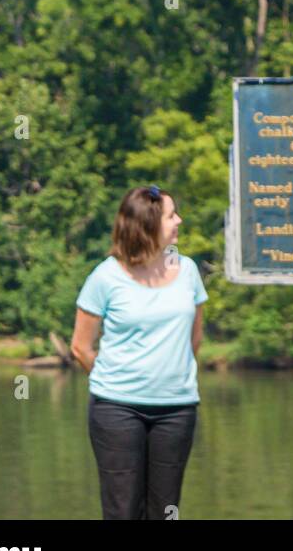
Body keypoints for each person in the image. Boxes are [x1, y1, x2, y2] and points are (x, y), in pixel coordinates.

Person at [71, 185, 208, 520]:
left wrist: (168, 376)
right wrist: (119, 383)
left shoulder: (187, 269)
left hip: (176, 410)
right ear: (147, 224)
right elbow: (81, 347)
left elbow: (194, 338)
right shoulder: (106, 276)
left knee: (166, 512)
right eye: (171, 215)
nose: (180, 221)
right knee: (123, 511)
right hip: (117, 410)